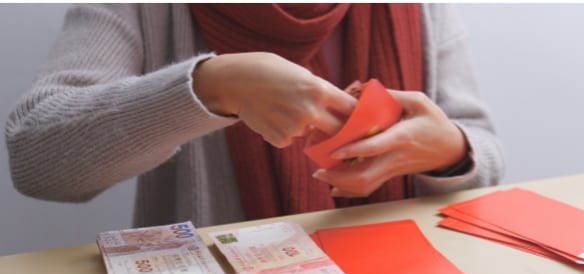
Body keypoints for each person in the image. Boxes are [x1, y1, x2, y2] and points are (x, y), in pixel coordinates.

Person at [5, 4, 505, 228]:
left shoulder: (417, 7)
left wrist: (452, 152)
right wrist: (211, 87)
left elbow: (483, 147)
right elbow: (37, 159)